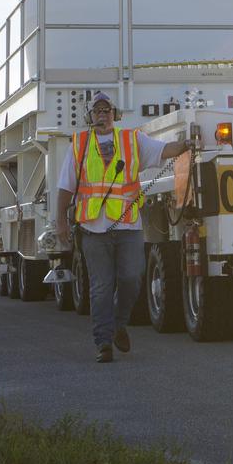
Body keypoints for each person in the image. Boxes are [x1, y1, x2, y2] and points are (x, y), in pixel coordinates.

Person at [55, 91, 190, 364]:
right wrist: (60, 222)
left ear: (114, 115)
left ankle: (119, 322)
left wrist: (186, 144)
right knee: (101, 287)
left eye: (107, 110)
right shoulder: (79, 144)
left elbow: (164, 151)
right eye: (97, 110)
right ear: (90, 116)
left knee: (131, 278)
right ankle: (103, 343)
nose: (102, 114)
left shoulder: (132, 139)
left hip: (128, 226)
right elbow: (65, 187)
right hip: (93, 229)